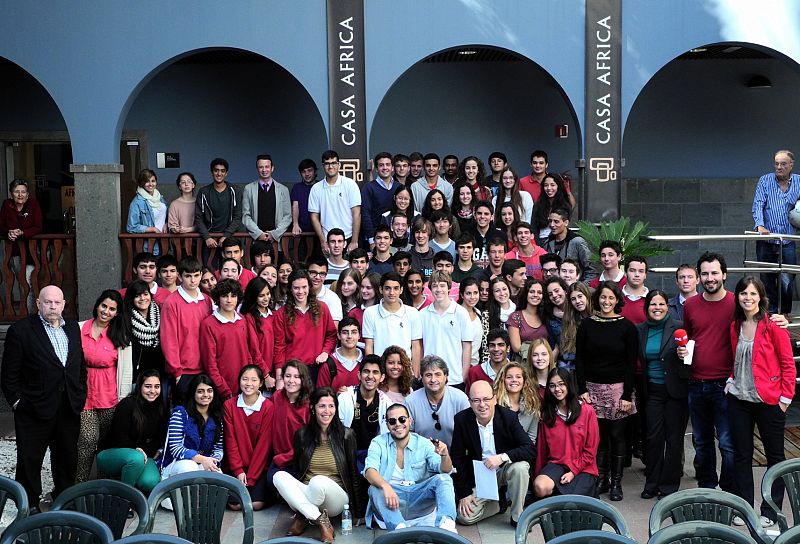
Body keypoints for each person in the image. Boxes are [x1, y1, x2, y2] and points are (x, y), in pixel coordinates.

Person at [1, 285, 85, 511]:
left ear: (64, 305)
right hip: (33, 409)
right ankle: (28, 506)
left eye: (57, 302)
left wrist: (80, 395)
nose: (53, 306)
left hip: (68, 407)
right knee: (30, 460)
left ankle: (64, 499)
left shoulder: (73, 330)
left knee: (67, 457)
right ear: (38, 303)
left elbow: (78, 367)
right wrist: (18, 403)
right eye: (48, 302)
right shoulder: (21, 330)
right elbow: (9, 375)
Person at [727, 276, 796, 528]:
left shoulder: (774, 326)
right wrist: (730, 381)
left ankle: (771, 510)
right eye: (743, 293)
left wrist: (785, 399)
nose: (748, 298)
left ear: (761, 297)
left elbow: (788, 365)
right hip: (739, 401)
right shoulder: (735, 326)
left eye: (753, 294)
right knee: (742, 456)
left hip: (769, 402)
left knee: (774, 457)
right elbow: (735, 359)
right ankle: (745, 507)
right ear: (738, 297)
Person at [678, 252, 737, 494]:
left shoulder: (736, 303)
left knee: (727, 443)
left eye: (714, 273)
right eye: (705, 274)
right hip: (696, 383)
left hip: (725, 385)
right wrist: (683, 352)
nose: (710, 278)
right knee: (701, 442)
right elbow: (688, 337)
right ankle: (707, 491)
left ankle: (730, 493)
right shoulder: (691, 304)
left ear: (724, 274)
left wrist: (779, 320)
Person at [575, 282, 637, 501]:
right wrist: (581, 389)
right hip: (592, 389)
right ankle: (601, 478)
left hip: (618, 390)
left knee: (617, 436)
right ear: (597, 299)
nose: (606, 302)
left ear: (617, 300)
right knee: (598, 436)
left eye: (611, 298)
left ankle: (616, 482)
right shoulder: (587, 325)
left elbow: (631, 364)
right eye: (603, 297)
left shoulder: (627, 327)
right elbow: (579, 360)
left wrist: (627, 395)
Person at [275, 387, 362, 543]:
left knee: (318, 481)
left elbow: (353, 473)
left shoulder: (347, 435)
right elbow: (298, 471)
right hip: (308, 493)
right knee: (279, 476)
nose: (326, 411)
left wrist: (357, 512)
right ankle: (320, 520)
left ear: (336, 409)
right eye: (322, 406)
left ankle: (303, 516)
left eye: (331, 406)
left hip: (335, 498)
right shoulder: (302, 435)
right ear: (313, 408)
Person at [450, 380, 535, 527]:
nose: (482, 405)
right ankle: (498, 504)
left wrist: (502, 457)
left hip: (503, 469)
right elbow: (457, 457)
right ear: (469, 402)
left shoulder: (508, 417)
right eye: (476, 400)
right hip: (479, 476)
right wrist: (464, 493)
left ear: (494, 399)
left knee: (520, 467)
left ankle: (517, 517)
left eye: (486, 399)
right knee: (464, 517)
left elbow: (529, 449)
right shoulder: (462, 419)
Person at [363, 403, 457, 532]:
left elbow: (445, 470)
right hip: (391, 503)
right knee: (375, 488)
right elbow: (369, 471)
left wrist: (445, 455)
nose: (398, 424)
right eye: (392, 421)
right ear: (387, 425)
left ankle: (447, 526)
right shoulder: (378, 442)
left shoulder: (423, 443)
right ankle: (399, 528)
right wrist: (385, 486)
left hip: (419, 503)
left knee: (444, 479)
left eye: (402, 419)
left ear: (410, 421)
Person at [636, 290, 688, 499]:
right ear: (646, 308)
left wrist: (685, 355)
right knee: (653, 438)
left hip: (676, 391)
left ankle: (668, 486)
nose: (657, 308)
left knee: (674, 440)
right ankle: (652, 483)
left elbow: (691, 358)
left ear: (668, 306)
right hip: (652, 390)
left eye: (661, 304)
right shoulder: (640, 330)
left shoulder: (679, 327)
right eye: (653, 304)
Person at [76, 289, 132, 483]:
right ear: (97, 305)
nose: (106, 311)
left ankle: (102, 485)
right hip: (84, 395)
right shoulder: (79, 328)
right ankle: (80, 484)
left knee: (105, 444)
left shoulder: (121, 335)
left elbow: (126, 370)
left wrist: (123, 399)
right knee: (88, 440)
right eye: (104, 306)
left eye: (112, 309)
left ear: (117, 312)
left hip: (109, 396)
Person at [96, 369, 168, 493]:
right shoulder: (127, 404)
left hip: (142, 454)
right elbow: (119, 437)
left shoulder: (161, 408)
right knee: (135, 458)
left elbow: (160, 438)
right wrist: (136, 449)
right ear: (139, 387)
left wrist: (144, 450)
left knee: (149, 482)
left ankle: (128, 484)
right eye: (148, 386)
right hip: (111, 453)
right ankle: (124, 500)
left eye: (157, 386)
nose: (153, 391)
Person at [534, 368, 599, 498]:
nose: (557, 389)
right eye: (552, 386)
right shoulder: (547, 415)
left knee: (571, 501)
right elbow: (542, 451)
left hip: (583, 466)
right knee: (540, 487)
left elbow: (591, 450)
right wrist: (537, 477)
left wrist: (573, 472)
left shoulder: (587, 411)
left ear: (569, 384)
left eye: (561, 384)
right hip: (556, 465)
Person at [752, 150, 800, 314]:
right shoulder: (765, 180)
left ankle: (784, 313)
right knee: (766, 278)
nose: (779, 167)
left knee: (787, 279)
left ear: (791, 165)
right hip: (767, 239)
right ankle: (770, 313)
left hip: (787, 240)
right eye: (776, 163)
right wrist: (760, 225)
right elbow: (758, 204)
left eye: (783, 164)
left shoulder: (799, 181)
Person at [160, 257, 213, 402]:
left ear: (201, 275)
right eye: (188, 276)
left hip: (206, 369)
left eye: (196, 275)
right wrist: (177, 372)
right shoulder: (171, 302)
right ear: (179, 276)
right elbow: (168, 340)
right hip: (183, 371)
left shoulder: (207, 300)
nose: (192, 280)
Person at [199, 279, 261, 401]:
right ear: (218, 298)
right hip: (223, 389)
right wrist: (223, 389)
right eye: (224, 296)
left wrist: (249, 380)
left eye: (233, 296)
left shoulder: (242, 320)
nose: (229, 300)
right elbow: (210, 363)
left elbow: (247, 353)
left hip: (244, 386)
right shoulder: (208, 324)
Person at [223, 365, 274, 511]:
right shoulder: (229, 405)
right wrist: (238, 470)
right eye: (245, 379)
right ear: (239, 381)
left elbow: (264, 447)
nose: (248, 384)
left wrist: (251, 478)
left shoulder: (268, 407)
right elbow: (230, 441)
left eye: (253, 380)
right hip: (235, 466)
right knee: (235, 505)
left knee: (256, 504)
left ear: (261, 383)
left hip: (258, 467)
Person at [274, 269, 337, 386]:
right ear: (290, 289)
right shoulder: (281, 314)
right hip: (293, 370)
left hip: (317, 368)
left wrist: (325, 352)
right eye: (296, 288)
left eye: (304, 287)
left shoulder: (322, 308)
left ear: (309, 287)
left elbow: (331, 335)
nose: (300, 291)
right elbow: (279, 347)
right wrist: (280, 378)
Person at [160, 375, 224, 486]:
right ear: (193, 393)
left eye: (209, 391)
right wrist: (202, 459)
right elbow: (175, 448)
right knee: (190, 467)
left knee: (217, 477)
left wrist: (212, 461)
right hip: (175, 464)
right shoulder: (181, 413)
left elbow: (218, 448)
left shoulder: (216, 417)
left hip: (203, 462)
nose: (205, 395)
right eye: (200, 391)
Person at [362, 272, 423, 376]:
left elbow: (416, 347)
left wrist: (415, 375)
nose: (392, 292)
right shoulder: (369, 313)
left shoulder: (412, 312)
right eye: (387, 288)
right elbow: (369, 346)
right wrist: (374, 372)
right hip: (381, 372)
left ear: (401, 290)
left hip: (405, 371)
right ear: (381, 289)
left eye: (395, 288)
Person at [337, 355, 390, 471]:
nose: (370, 376)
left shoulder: (386, 403)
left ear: (382, 377)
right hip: (346, 454)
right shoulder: (345, 398)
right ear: (359, 375)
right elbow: (337, 432)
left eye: (375, 372)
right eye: (366, 371)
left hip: (372, 456)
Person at [420, 270, 472, 389]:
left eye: (442, 285)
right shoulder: (422, 314)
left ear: (449, 287)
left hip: (454, 377)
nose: (438, 289)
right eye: (435, 286)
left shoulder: (461, 313)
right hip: (430, 377)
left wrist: (463, 375)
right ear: (430, 289)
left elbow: (467, 346)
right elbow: (420, 346)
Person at [267, 360, 312, 494]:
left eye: (297, 377)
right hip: (278, 458)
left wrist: (287, 457)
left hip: (299, 460)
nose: (291, 380)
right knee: (271, 483)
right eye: (288, 376)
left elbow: (310, 441)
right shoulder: (276, 397)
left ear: (303, 380)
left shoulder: (309, 405)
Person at [406, 356, 470, 447]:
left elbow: (469, 432)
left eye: (437, 374)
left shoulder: (460, 399)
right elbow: (407, 434)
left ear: (446, 376)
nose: (433, 380)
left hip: (454, 456)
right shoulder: (410, 401)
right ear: (422, 378)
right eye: (428, 375)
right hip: (421, 457)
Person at [309, 149, 362, 255]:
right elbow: (314, 217)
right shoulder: (316, 188)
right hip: (327, 241)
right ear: (323, 166)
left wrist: (354, 241)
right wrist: (323, 241)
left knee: (349, 271)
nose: (330, 166)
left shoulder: (350, 184)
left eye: (333, 163)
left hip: (348, 238)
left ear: (339, 165)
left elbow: (357, 214)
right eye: (327, 164)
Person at [0, 178, 42, 306]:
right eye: (16, 191)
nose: (20, 195)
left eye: (23, 192)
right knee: (20, 281)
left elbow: (38, 226)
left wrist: (22, 232)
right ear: (11, 193)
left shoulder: (33, 204)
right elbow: (0, 226)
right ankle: (23, 312)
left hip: (31, 253)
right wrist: (9, 232)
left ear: (27, 194)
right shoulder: (7, 205)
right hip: (14, 252)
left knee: (28, 282)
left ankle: (30, 314)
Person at [241, 153, 292, 243]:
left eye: (267, 166)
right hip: (256, 240)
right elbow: (246, 216)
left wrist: (275, 234)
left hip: (276, 240)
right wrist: (258, 233)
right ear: (257, 169)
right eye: (261, 167)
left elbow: (288, 216)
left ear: (272, 168)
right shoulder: (248, 189)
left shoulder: (283, 189)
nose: (264, 170)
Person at [123, 280, 165, 385]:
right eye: (137, 296)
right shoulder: (125, 318)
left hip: (160, 371)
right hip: (136, 373)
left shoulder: (161, 312)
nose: (142, 299)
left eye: (145, 294)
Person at [195, 158, 242, 250]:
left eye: (222, 171)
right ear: (212, 172)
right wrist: (207, 237)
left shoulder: (235, 191)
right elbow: (198, 218)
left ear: (226, 173)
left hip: (230, 238)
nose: (219, 174)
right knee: (208, 264)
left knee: (230, 264)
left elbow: (237, 217)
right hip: (209, 239)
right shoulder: (204, 192)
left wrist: (226, 235)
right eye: (216, 170)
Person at [241, 277, 277, 392]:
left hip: (275, 372)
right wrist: (265, 375)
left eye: (268, 294)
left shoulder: (274, 315)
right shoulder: (250, 317)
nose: (266, 298)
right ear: (254, 297)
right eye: (261, 296)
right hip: (259, 373)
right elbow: (253, 349)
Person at [542, 208, 597, 282]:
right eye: (550, 221)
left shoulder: (578, 242)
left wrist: (581, 288)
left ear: (566, 223)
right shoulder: (547, 243)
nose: (552, 225)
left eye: (556, 222)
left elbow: (592, 270)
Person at [495, 361, 541, 444]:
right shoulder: (495, 405)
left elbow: (531, 439)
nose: (514, 380)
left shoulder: (532, 406)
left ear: (524, 380)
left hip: (522, 455)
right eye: (509, 377)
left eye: (518, 377)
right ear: (503, 380)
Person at [362, 151, 399, 247]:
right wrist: (371, 240)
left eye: (388, 164)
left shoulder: (399, 187)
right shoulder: (369, 187)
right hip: (376, 239)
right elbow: (365, 215)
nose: (385, 168)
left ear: (392, 168)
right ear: (377, 169)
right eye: (381, 165)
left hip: (396, 237)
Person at [317, 317, 363, 392]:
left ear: (359, 336)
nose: (349, 336)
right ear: (338, 335)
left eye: (354, 332)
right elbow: (320, 397)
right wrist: (337, 397)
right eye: (345, 332)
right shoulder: (329, 365)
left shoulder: (365, 360)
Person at [126, 169, 168, 250]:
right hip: (148, 245)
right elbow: (131, 227)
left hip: (163, 241)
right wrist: (152, 229)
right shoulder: (137, 202)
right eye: (147, 181)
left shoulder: (159, 197)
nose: (151, 184)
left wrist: (166, 224)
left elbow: (164, 215)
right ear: (142, 183)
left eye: (153, 181)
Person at [508, 279, 549, 359]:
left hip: (545, 362)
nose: (535, 295)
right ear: (526, 294)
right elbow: (516, 348)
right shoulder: (515, 317)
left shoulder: (546, 316)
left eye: (539, 293)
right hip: (523, 362)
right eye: (532, 292)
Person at [480, 277, 516, 363]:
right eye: (497, 291)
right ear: (492, 294)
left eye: (504, 289)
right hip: (495, 361)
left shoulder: (518, 311)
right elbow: (486, 346)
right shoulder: (486, 315)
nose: (502, 293)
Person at [465, 328, 511, 393]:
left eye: (501, 345)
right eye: (492, 345)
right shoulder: (474, 372)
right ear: (488, 348)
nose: (496, 349)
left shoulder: (516, 373)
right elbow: (470, 399)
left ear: (508, 348)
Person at [532, 173, 572, 243]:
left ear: (558, 186)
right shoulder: (538, 204)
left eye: (552, 185)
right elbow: (534, 227)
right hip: (540, 241)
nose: (549, 188)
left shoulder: (565, 205)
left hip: (558, 241)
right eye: (546, 185)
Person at [307, 257, 344, 325]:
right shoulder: (299, 294)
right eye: (313, 272)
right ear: (307, 272)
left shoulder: (333, 298)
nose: (317, 277)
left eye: (322, 274)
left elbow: (333, 329)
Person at [460, 277, 484, 367]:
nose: (472, 297)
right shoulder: (455, 314)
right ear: (462, 295)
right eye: (468, 293)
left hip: (476, 365)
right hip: (459, 365)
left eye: (475, 293)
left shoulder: (479, 314)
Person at [291, 158, 319, 236]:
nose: (306, 174)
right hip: (301, 230)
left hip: (320, 230)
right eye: (303, 171)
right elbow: (295, 205)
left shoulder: (321, 186)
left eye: (309, 170)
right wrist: (295, 224)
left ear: (315, 171)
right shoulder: (297, 187)